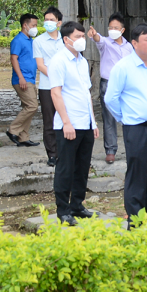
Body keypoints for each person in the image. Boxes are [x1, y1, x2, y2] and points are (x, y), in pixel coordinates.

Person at [103, 23, 147, 224]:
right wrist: (126, 118)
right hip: (137, 129)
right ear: (134, 43)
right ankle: (136, 220)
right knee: (137, 175)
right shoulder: (123, 67)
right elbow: (110, 99)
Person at [46, 20, 100, 224]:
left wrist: (93, 122)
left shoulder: (82, 61)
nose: (82, 40)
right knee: (65, 168)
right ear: (66, 39)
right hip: (68, 124)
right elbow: (55, 93)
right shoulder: (59, 61)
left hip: (85, 123)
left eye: (83, 36)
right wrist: (66, 123)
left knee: (82, 167)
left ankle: (77, 205)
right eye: (77, 37)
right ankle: (63, 210)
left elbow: (86, 93)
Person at [88, 13, 133, 164]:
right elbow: (98, 39)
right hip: (108, 83)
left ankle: (132, 148)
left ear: (122, 30)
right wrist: (94, 34)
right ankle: (110, 150)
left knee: (129, 117)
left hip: (126, 84)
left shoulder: (129, 47)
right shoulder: (105, 43)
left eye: (116, 28)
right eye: (110, 27)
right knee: (108, 117)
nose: (112, 30)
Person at [34, 6, 65, 167]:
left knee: (66, 117)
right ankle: (52, 154)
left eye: (51, 20)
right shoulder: (38, 41)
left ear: (58, 23)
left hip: (65, 86)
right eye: (46, 20)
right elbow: (40, 64)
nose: (48, 22)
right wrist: (55, 77)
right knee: (49, 121)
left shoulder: (66, 40)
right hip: (47, 86)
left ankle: (65, 151)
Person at [6, 13, 41, 148]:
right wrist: (20, 77)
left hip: (30, 78)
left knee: (28, 107)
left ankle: (23, 137)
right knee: (32, 106)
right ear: (25, 25)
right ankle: (13, 130)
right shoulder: (18, 40)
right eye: (33, 25)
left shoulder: (30, 40)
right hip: (22, 79)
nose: (35, 28)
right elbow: (14, 58)